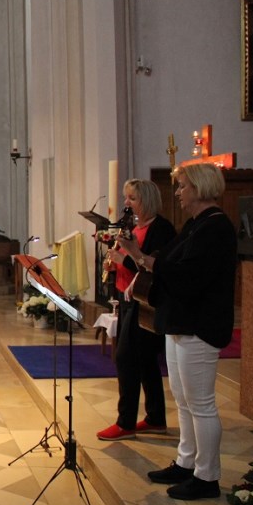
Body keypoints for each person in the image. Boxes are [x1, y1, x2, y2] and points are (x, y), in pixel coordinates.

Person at [118, 163, 237, 501]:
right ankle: (186, 462)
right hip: (178, 321)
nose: (178, 192)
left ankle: (207, 476)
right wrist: (137, 256)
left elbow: (189, 275)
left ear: (200, 187)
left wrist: (143, 258)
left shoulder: (216, 229)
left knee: (201, 403)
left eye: (183, 186)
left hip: (199, 324)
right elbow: (165, 260)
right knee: (183, 400)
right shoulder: (196, 225)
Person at [96, 180, 176, 441]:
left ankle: (125, 422)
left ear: (147, 199)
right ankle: (155, 418)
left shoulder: (161, 229)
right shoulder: (133, 227)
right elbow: (127, 262)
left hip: (145, 303)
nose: (126, 203)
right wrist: (113, 264)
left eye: (132, 198)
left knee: (126, 358)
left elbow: (154, 268)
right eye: (126, 198)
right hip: (129, 298)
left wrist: (125, 259)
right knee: (143, 361)